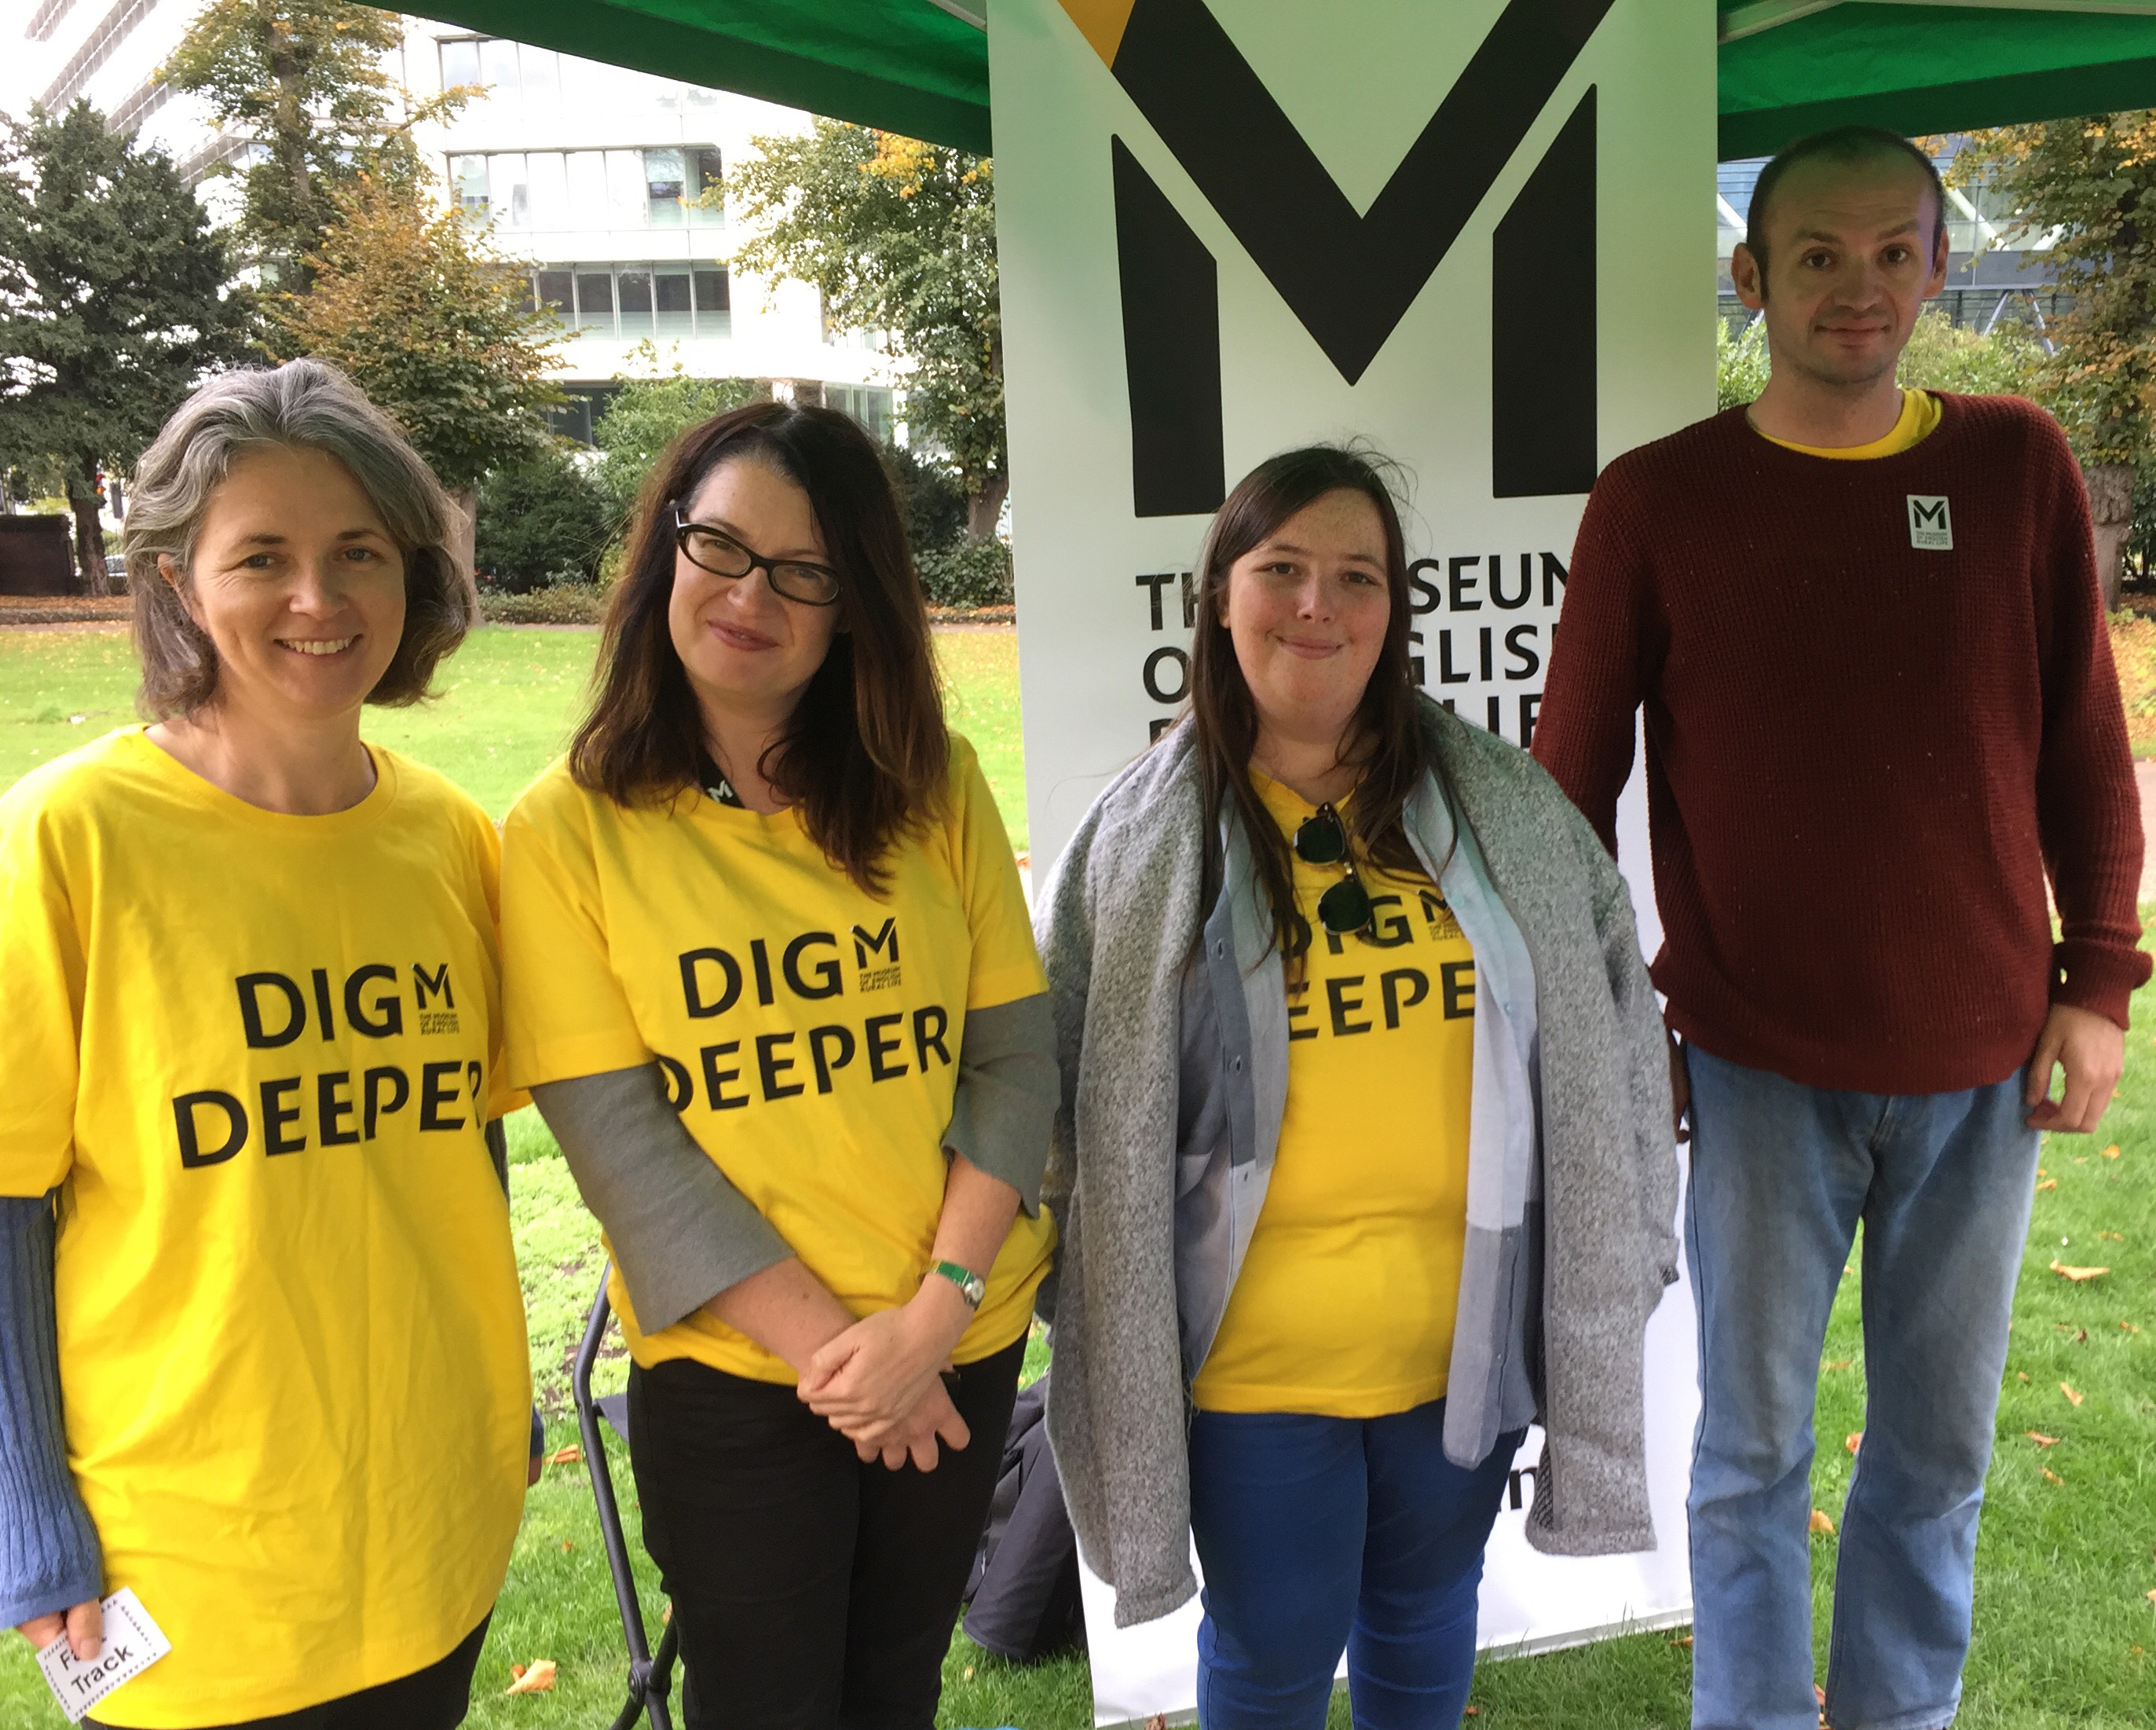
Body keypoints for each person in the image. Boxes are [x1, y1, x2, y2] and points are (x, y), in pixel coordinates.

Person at [1532, 125, 2147, 1730]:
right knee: (1752, 1455)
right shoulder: (1659, 502)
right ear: (1753, 277)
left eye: (1892, 252)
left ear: (1939, 268)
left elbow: (2085, 744)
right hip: (1755, 1068)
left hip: (1984, 1067)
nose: (1857, 288)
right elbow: (1558, 805)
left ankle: (1896, 1715)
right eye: (1817, 254)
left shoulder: (2018, 468)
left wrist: (2099, 986)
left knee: (1936, 1461)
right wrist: (1607, 1030)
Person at [1035, 446, 1681, 1730]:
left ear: (1395, 611)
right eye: (1282, 569)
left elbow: (1617, 1040)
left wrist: (1636, 1245)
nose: (1316, 605)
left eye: (1356, 576)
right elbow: (1059, 1096)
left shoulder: (1506, 814)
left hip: (1464, 1347)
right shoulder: (1132, 843)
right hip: (1255, 1372)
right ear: (1221, 594)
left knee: (1428, 1617)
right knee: (1274, 1651)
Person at [0, 359, 536, 1728]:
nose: (319, 600)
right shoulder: (67, 838)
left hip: (427, 1520)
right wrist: (29, 1508)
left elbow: (471, 1146)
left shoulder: (450, 835)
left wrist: (501, 1401)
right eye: (260, 555)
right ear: (171, 581)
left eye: (358, 553)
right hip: (191, 1551)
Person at [501, 401, 1056, 1730]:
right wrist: (851, 1364)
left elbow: (1015, 1063)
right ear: (664, 554)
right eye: (722, 548)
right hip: (740, 1384)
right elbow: (629, 1156)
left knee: (893, 1697)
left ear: (854, 604)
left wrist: (928, 1322)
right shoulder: (563, 833)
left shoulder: (935, 783)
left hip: (957, 1339)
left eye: (805, 571)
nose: (753, 595)